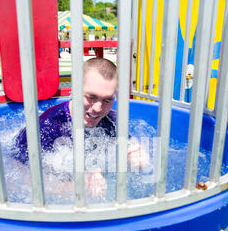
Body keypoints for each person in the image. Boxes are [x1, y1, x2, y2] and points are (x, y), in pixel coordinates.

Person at [11, 57, 149, 197]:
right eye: (91, 97)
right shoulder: (47, 127)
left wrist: (138, 155)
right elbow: (20, 180)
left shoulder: (111, 120)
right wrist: (74, 187)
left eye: (107, 100)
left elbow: (131, 144)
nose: (98, 108)